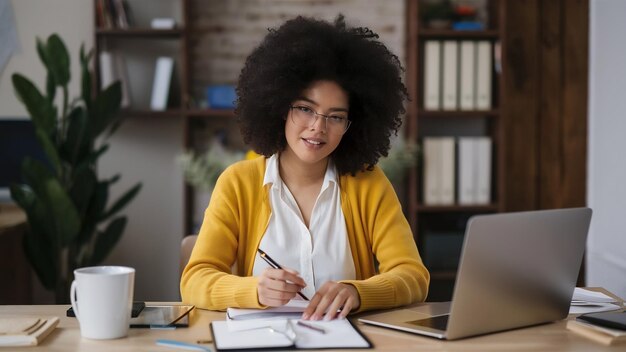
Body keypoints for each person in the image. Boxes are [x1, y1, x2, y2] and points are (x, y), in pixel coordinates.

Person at [181, 15, 429, 321]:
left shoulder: (369, 184)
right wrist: (255, 290)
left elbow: (413, 276)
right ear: (280, 107)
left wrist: (357, 292)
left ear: (351, 125)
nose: (318, 128)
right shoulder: (237, 183)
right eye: (305, 109)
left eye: (335, 116)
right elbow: (194, 280)